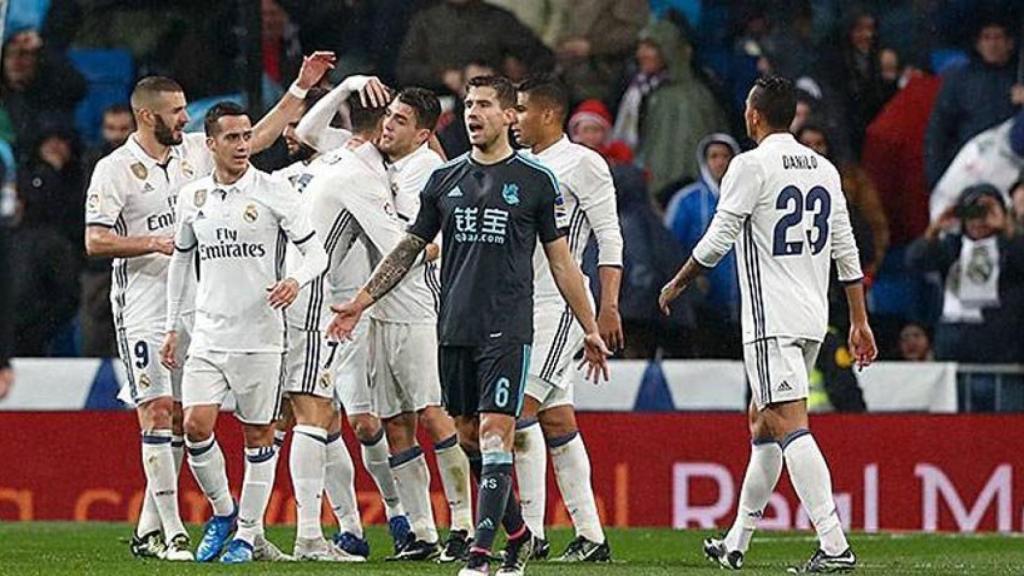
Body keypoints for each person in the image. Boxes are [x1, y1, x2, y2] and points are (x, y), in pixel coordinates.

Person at [327, 75, 611, 576]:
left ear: (507, 115)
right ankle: (518, 534)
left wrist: (589, 324)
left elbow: (563, 261)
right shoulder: (445, 180)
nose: (473, 113)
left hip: (509, 327)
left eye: (484, 104)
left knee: (498, 432)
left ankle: (482, 554)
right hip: (454, 325)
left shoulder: (535, 180)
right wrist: (362, 299)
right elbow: (410, 248)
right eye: (468, 105)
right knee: (468, 437)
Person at [84, 52, 335, 562]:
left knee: (185, 420)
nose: (186, 119)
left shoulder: (193, 154)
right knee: (158, 413)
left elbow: (255, 137)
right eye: (178, 111)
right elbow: (94, 241)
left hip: (204, 307)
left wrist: (301, 87)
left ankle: (159, 528)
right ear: (150, 116)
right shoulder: (114, 170)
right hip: (144, 304)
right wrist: (155, 243)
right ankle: (173, 532)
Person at [659, 76, 877, 572]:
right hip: (812, 317)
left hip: (769, 318)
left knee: (787, 422)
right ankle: (736, 542)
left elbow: (717, 239)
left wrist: (678, 282)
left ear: (754, 116)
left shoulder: (750, 165)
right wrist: (859, 320)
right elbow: (847, 252)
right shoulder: (822, 168)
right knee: (763, 422)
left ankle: (834, 544)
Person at [160, 102, 329, 564]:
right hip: (209, 336)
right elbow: (180, 262)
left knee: (260, 436)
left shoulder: (275, 192)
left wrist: (296, 279)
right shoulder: (192, 197)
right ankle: (224, 512)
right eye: (232, 138)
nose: (242, 145)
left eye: (247, 136)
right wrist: (173, 326)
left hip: (261, 337)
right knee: (194, 426)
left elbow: (317, 255)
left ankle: (247, 535)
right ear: (210, 143)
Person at [510, 76, 622, 561]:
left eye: (520, 110)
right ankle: (591, 538)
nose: (514, 119)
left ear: (549, 115)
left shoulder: (583, 164)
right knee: (557, 421)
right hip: (520, 303)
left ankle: (532, 532)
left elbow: (610, 237)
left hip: (559, 307)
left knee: (517, 416)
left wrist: (608, 306)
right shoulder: (519, 165)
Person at [612, 17, 729, 203]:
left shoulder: (692, 96)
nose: (641, 54)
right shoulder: (640, 89)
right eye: (640, 47)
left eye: (650, 47)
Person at [906, 184, 1024, 364]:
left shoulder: (1011, 247)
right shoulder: (952, 248)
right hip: (954, 354)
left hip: (1002, 355)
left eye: (986, 212)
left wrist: (1005, 228)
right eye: (972, 213)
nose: (978, 220)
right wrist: (935, 229)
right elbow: (916, 260)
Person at [663, 133, 742, 358]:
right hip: (702, 306)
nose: (719, 162)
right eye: (713, 156)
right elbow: (671, 248)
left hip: (743, 301)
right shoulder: (687, 201)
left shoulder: (747, 198)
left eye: (725, 156)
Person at [925, 19, 1023, 189]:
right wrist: (937, 176)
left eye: (998, 37)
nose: (992, 44)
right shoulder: (958, 79)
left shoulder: (1019, 76)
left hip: (1013, 174)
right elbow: (939, 129)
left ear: (1010, 43)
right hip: (968, 172)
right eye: (986, 38)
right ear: (977, 43)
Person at [396, 0, 553, 94]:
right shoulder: (426, 21)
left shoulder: (498, 19)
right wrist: (444, 76)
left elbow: (544, 58)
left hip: (492, 105)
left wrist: (511, 80)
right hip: (440, 105)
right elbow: (405, 70)